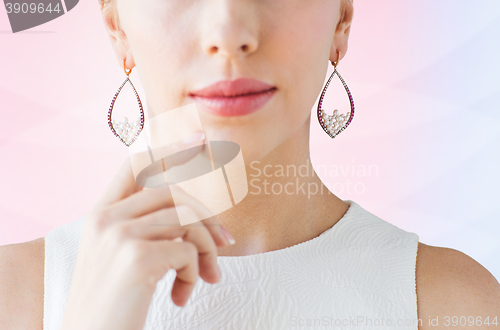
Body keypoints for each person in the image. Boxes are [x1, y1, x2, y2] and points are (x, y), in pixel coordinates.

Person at [1, 0, 499, 329]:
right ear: (117, 29)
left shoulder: (454, 306)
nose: (229, 33)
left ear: (341, 19)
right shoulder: (15, 299)